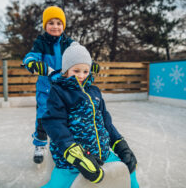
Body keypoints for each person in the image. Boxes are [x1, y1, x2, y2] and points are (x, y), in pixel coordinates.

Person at [41, 42, 139, 188]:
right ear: (66, 70)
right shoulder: (60, 92)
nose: (81, 75)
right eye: (76, 71)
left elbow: (106, 122)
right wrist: (76, 155)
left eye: (85, 71)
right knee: (59, 184)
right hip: (72, 161)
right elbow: (54, 123)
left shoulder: (94, 92)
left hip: (103, 154)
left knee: (128, 169)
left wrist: (120, 144)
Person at [22, 6, 74, 164]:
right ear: (45, 25)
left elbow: (79, 55)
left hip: (64, 88)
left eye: (59, 23)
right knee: (44, 118)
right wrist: (32, 63)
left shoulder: (69, 43)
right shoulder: (41, 42)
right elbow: (30, 57)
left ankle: (66, 145)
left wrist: (89, 64)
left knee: (67, 117)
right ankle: (39, 145)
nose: (55, 26)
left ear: (63, 26)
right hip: (46, 89)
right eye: (51, 23)